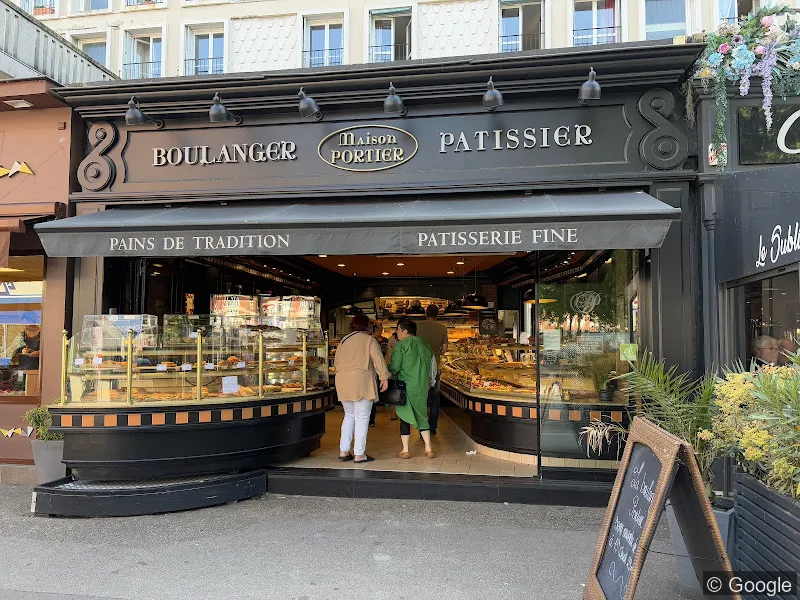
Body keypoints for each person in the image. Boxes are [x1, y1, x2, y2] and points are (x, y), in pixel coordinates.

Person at [334, 313, 389, 463]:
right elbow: (378, 360)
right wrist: (384, 377)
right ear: (368, 326)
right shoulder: (369, 340)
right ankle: (359, 454)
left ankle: (344, 451)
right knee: (362, 417)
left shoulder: (344, 340)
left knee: (349, 415)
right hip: (362, 380)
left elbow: (336, 363)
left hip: (343, 381)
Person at [390, 318, 437, 459]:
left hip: (405, 387)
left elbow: (395, 367)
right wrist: (431, 382)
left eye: (398, 330)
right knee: (422, 415)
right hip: (422, 387)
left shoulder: (401, 345)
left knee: (405, 416)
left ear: (404, 331)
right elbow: (433, 366)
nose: (397, 333)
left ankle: (405, 450)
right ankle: (428, 448)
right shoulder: (425, 344)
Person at [415, 304, 448, 435]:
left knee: (421, 396)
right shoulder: (442, 328)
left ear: (425, 313)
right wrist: (436, 352)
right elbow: (444, 350)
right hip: (435, 366)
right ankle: (432, 427)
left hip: (419, 366)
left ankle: (422, 428)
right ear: (437, 315)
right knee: (434, 398)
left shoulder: (417, 326)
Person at [368, 321, 390, 427]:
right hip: (381, 367)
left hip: (373, 369)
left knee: (371, 394)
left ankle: (370, 419)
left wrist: (373, 321)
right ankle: (371, 418)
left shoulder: (370, 340)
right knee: (374, 393)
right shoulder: (385, 340)